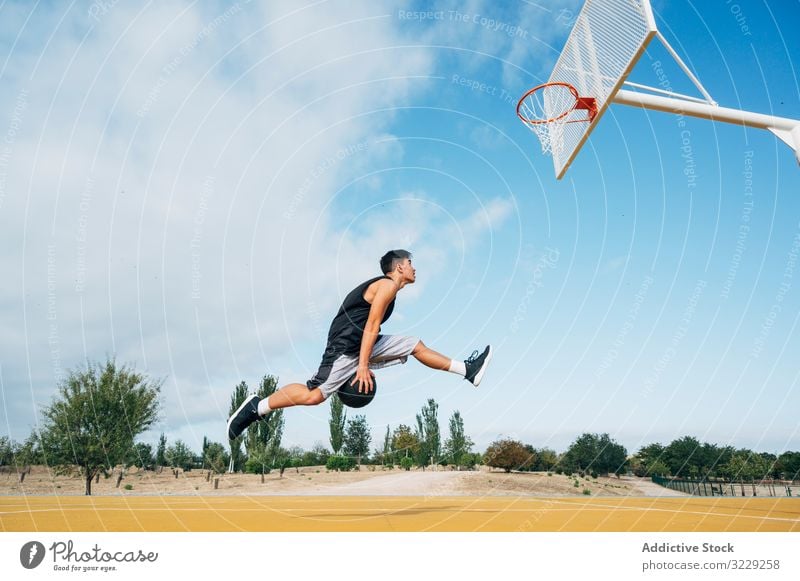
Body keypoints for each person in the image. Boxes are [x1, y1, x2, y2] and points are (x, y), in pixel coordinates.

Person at [227, 249, 492, 440]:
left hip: (362, 343)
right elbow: (371, 325)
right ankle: (257, 407)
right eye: (410, 263)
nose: (414, 267)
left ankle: (467, 370)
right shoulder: (386, 286)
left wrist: (365, 361)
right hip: (344, 346)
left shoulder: (391, 290)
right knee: (314, 395)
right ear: (399, 267)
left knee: (414, 345)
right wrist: (363, 365)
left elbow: (370, 328)